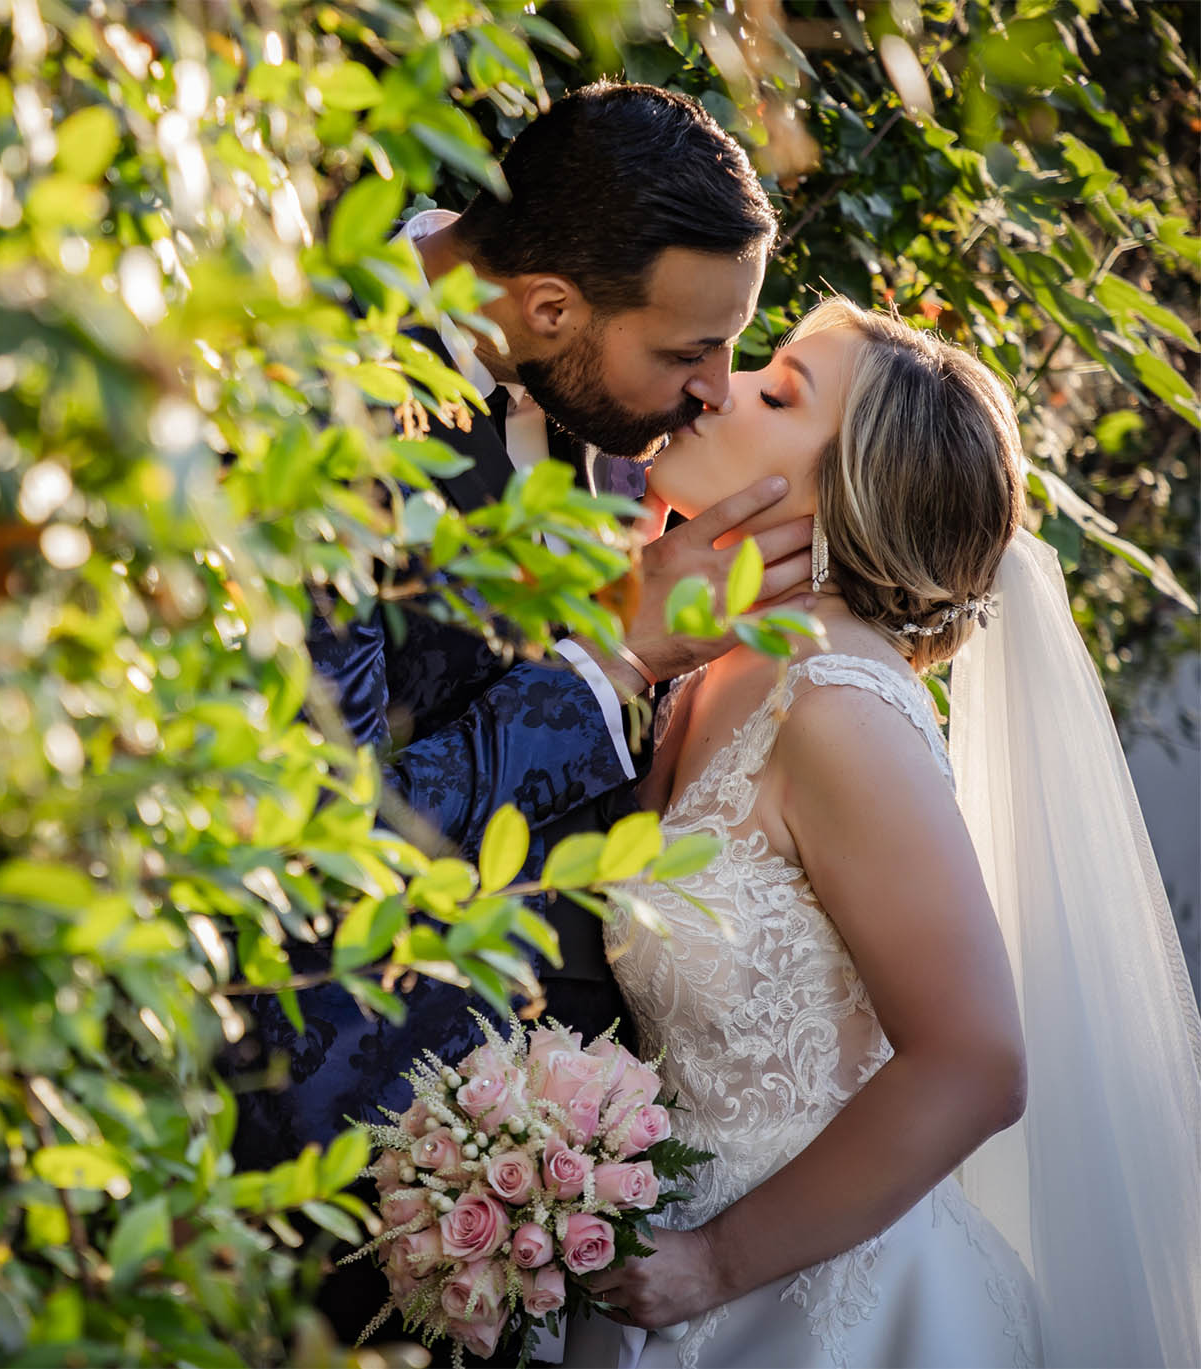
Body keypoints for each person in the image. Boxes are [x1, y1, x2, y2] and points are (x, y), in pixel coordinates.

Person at [227, 80, 792, 1352]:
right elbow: (331, 841)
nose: (713, 391)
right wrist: (612, 660)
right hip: (300, 1184)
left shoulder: (599, 400)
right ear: (546, 307)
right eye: (685, 352)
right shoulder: (311, 404)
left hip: (525, 1207)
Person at [559, 299, 1201, 1367]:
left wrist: (712, 1262)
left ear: (842, 488)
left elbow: (975, 1061)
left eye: (775, 391)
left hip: (832, 1310)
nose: (718, 387)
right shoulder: (709, 652)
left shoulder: (835, 706)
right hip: (654, 1280)